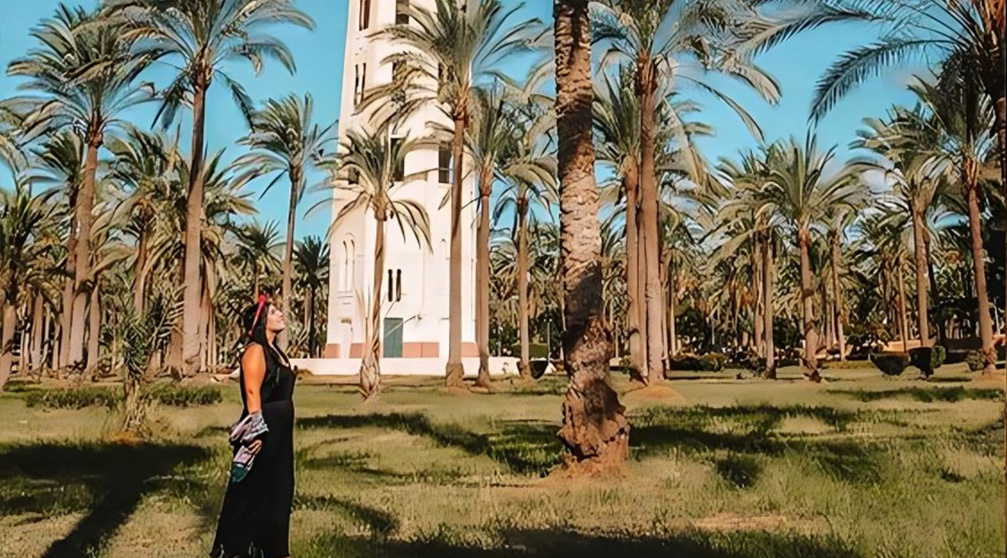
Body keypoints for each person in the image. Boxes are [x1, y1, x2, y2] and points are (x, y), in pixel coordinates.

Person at [211, 294, 296, 558]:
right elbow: (252, 393)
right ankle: (240, 551)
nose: (280, 314)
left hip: (280, 436)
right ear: (261, 321)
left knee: (279, 494)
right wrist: (256, 432)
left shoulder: (274, 351)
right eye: (273, 312)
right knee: (254, 496)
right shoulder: (255, 350)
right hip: (264, 435)